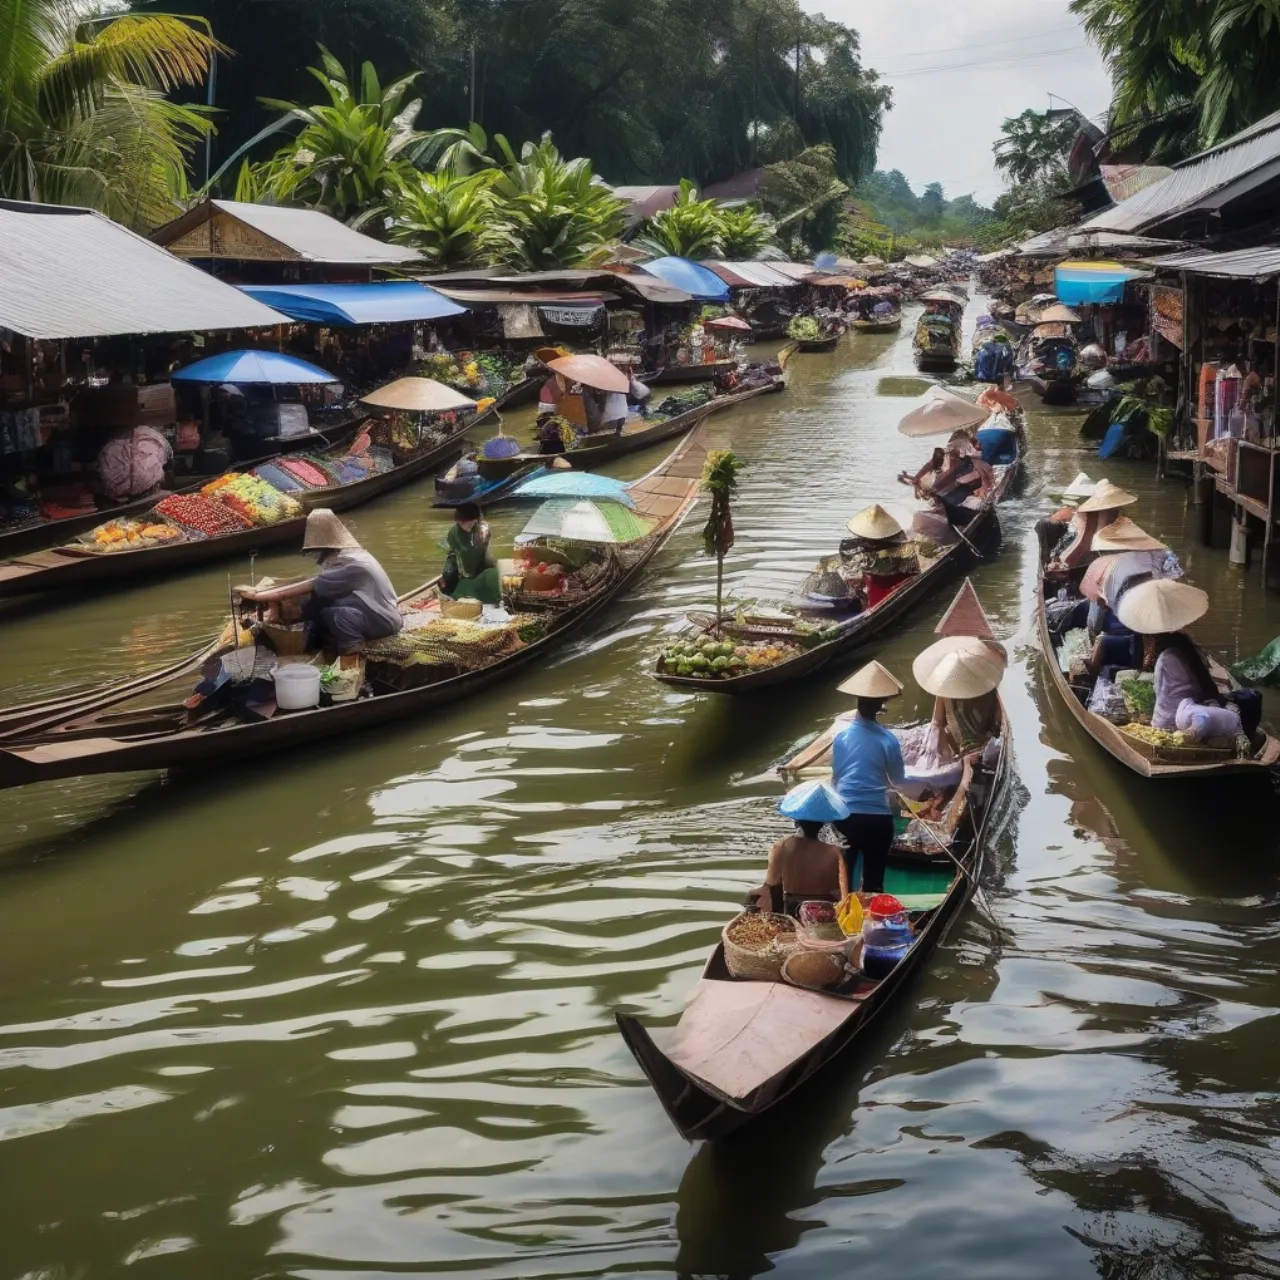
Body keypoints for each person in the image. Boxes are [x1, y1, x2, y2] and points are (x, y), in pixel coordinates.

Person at [236, 508, 402, 655]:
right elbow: (314, 583)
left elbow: (307, 586)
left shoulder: (354, 565)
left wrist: (258, 596)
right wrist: (265, 596)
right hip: (372, 611)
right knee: (317, 604)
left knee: (337, 616)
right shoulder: (348, 557)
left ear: (329, 549)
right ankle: (319, 643)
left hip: (384, 621)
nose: (316, 558)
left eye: (317, 553)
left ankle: (352, 652)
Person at [828, 660, 907, 895]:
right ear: (880, 707)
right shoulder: (888, 739)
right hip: (876, 821)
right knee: (874, 882)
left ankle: (845, 900)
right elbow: (898, 778)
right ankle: (872, 902)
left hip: (845, 816)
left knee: (845, 873)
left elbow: (838, 775)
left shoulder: (840, 738)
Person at [750, 782, 851, 914]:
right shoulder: (834, 852)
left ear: (796, 821)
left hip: (792, 909)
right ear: (823, 824)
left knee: (766, 890)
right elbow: (841, 891)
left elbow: (770, 883)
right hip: (823, 911)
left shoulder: (780, 846)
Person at [1047, 479, 1136, 572]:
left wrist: (1064, 560)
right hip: (1094, 552)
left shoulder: (1090, 514)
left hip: (1095, 552)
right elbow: (1085, 540)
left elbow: (1087, 540)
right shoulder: (1092, 514)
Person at [444, 502, 501, 604]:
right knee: (449, 576)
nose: (465, 526)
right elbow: (462, 555)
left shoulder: (482, 529)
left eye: (469, 523)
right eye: (461, 523)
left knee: (493, 574)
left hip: (481, 566)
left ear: (475, 520)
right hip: (465, 572)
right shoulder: (454, 533)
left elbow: (483, 553)